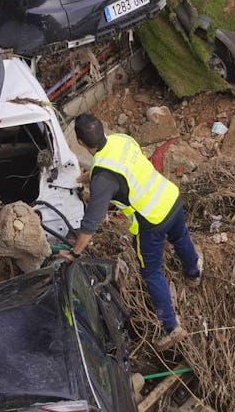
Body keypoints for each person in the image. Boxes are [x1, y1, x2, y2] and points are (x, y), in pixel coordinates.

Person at [61, 114, 202, 350]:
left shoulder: (103, 178)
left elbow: (91, 223)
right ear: (103, 128)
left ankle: (172, 327)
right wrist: (91, 176)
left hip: (151, 222)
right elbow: (125, 166)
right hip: (170, 198)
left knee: (152, 272)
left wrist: (74, 253)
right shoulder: (121, 140)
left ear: (80, 142)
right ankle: (193, 273)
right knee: (181, 238)